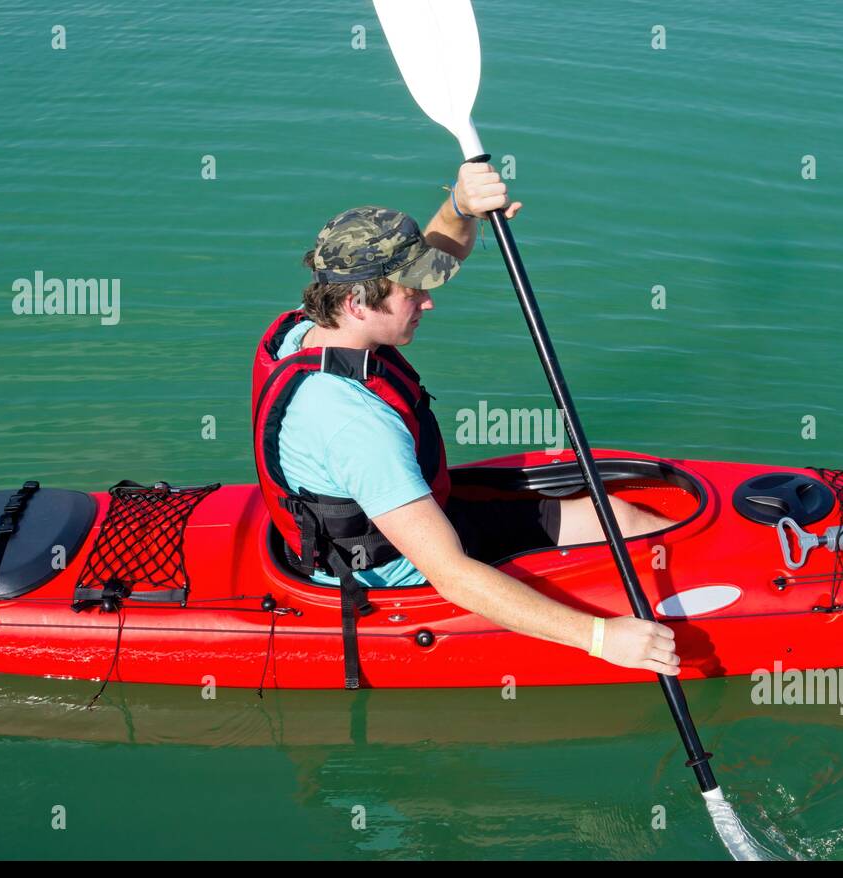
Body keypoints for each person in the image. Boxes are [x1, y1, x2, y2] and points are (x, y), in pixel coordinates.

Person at [252, 161, 679, 685]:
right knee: (621, 532)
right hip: (398, 576)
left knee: (620, 518)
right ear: (356, 303)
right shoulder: (356, 427)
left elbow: (440, 250)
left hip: (399, 519)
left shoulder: (306, 326)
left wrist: (460, 205)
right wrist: (602, 638)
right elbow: (453, 577)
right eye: (412, 292)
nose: (429, 301)